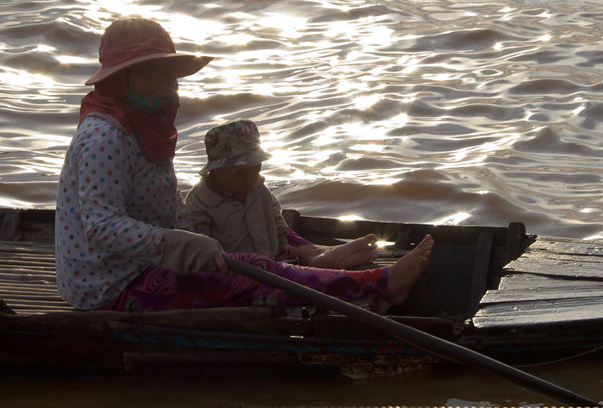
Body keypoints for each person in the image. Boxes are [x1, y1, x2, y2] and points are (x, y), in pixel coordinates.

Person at [55, 16, 432, 312]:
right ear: (122, 80)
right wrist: (176, 245)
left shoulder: (145, 125)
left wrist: (195, 240)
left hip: (144, 262)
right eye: (150, 72)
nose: (165, 81)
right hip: (111, 285)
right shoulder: (103, 137)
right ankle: (381, 283)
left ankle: (343, 271)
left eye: (167, 70)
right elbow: (101, 226)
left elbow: (166, 201)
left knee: (244, 264)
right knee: (256, 275)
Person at [185, 119, 379, 269]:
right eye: (241, 173)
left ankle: (327, 255)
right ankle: (326, 259)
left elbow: (275, 213)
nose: (251, 178)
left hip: (270, 251)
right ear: (218, 172)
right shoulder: (201, 201)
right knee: (280, 270)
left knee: (295, 253)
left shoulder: (257, 189)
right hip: (239, 266)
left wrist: (282, 239)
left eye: (257, 169)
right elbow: (200, 242)